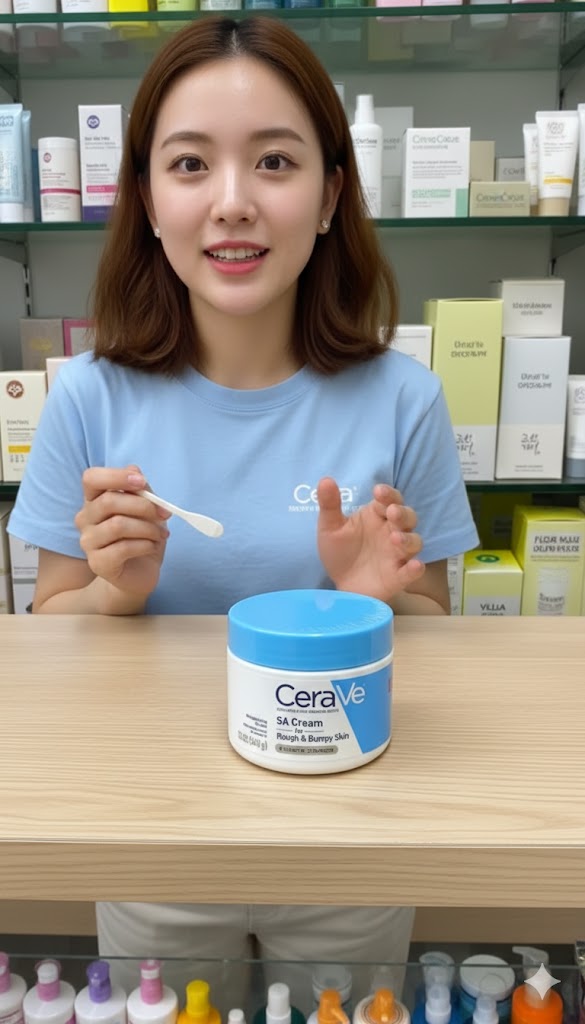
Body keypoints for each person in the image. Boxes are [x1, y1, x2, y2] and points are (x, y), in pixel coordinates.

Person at [8, 12, 478, 1018]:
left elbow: (438, 631)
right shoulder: (88, 398)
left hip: (352, 831)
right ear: (148, 199)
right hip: (150, 827)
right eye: (189, 164)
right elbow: (45, 630)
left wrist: (375, 601)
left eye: (274, 161)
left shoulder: (405, 399)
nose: (232, 202)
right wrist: (113, 593)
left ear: (330, 195)